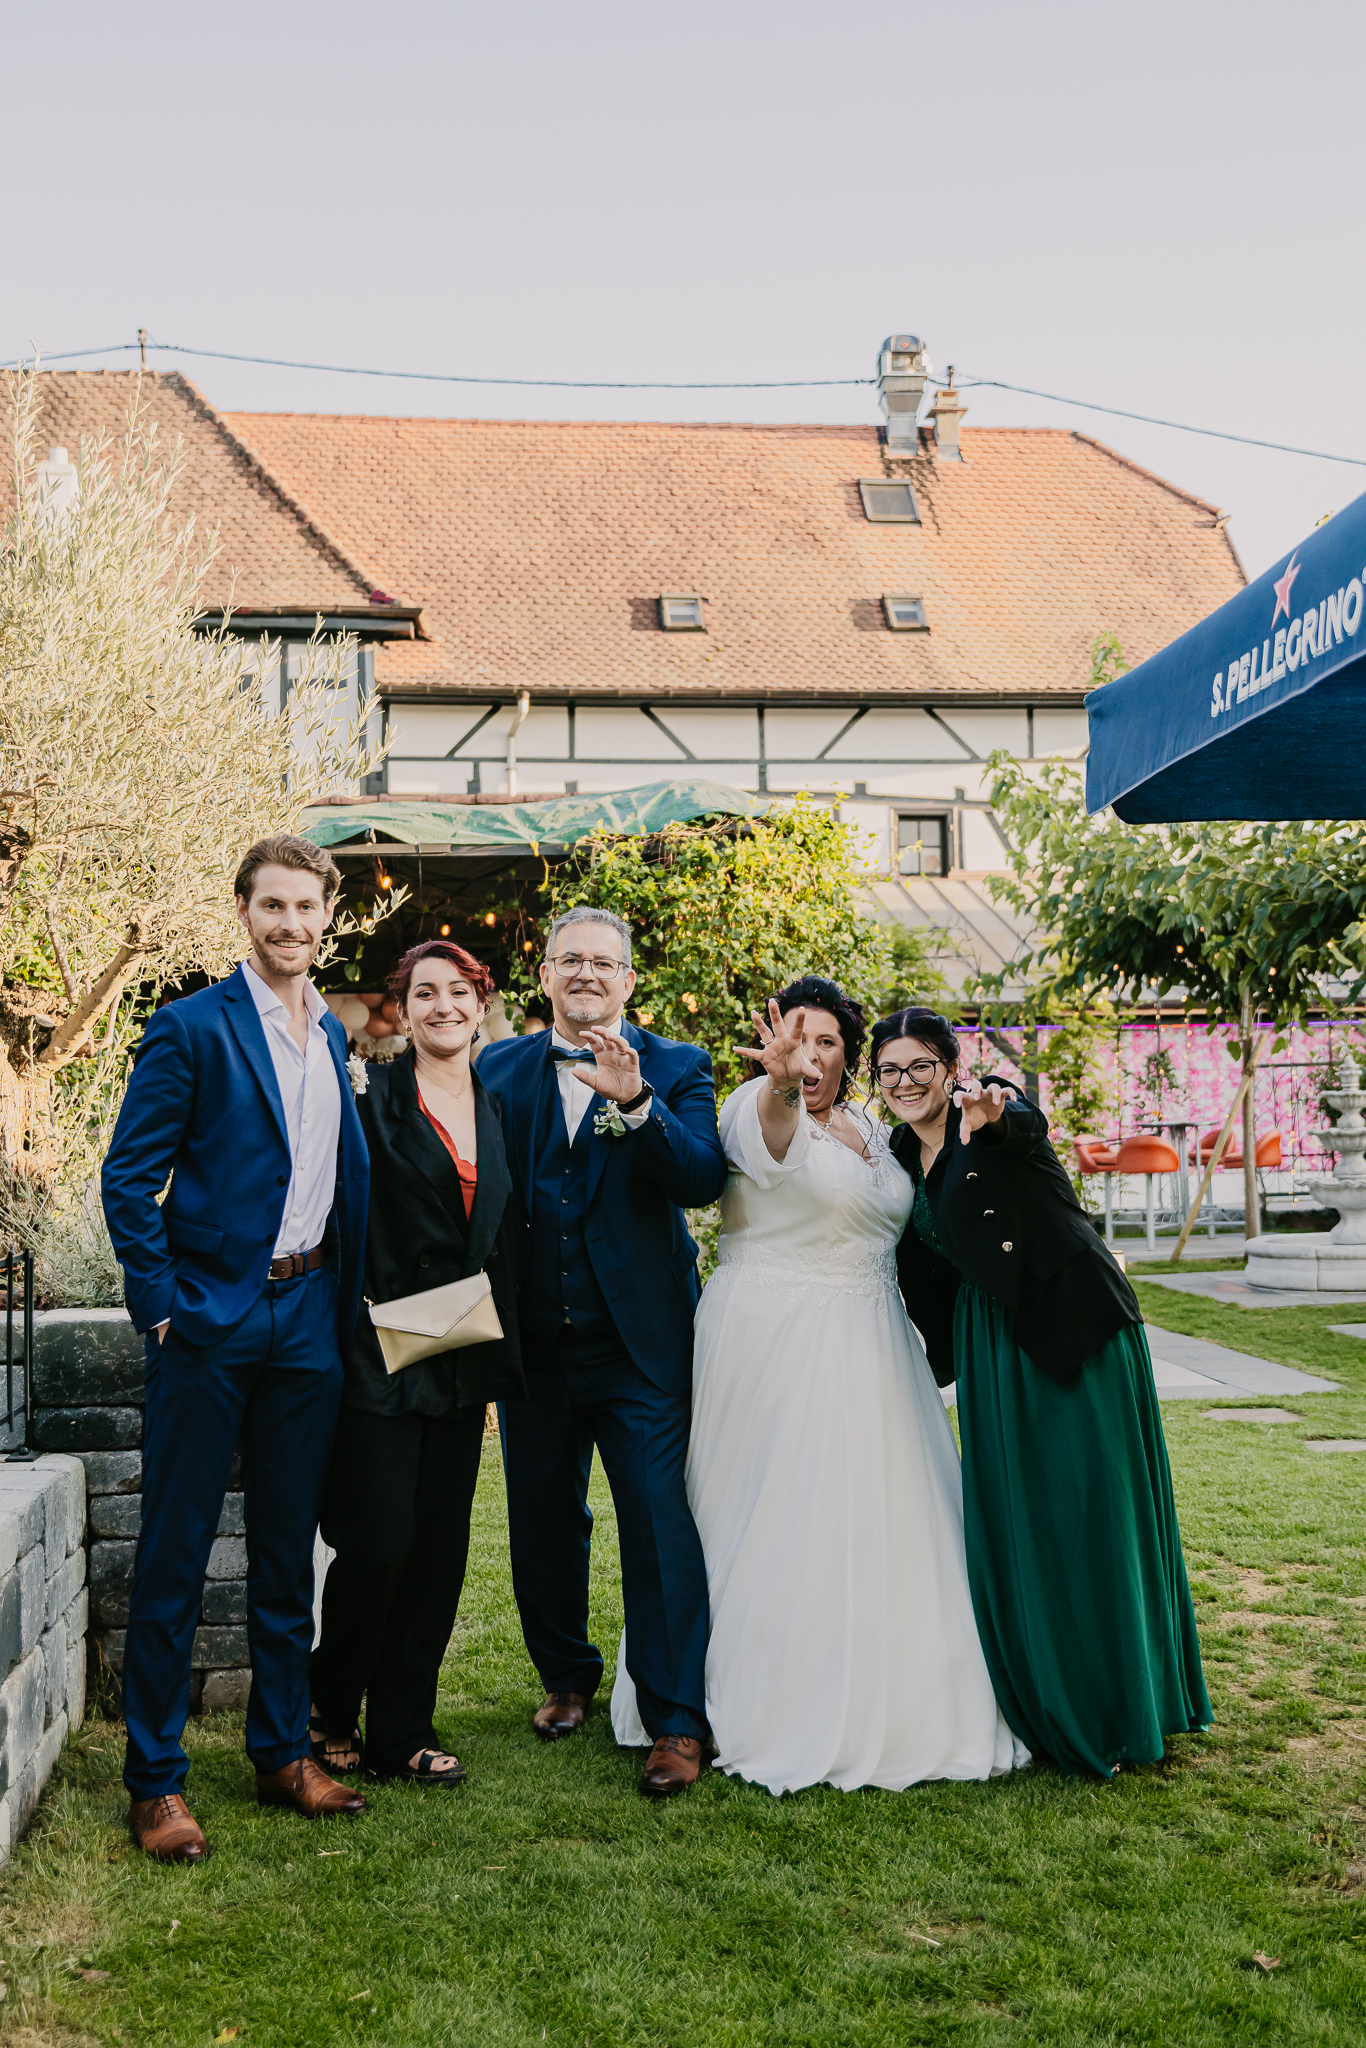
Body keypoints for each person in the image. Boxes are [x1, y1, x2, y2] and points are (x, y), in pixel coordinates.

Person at [613, 977, 1027, 1795]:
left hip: (876, 1344)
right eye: (794, 1038)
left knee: (887, 1510)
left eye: (826, 1042)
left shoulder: (872, 1127)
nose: (807, 1056)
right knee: (778, 1509)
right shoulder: (752, 1105)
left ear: (849, 1056)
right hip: (775, 1339)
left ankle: (904, 1691)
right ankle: (739, 1702)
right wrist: (776, 1083)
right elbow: (775, 1143)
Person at [101, 835, 371, 1863]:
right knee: (174, 1553)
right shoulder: (192, 1027)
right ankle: (155, 1780)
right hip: (208, 1322)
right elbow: (129, 1178)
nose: (291, 924)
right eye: (273, 906)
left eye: (307, 907)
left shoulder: (332, 1031)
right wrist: (162, 1306)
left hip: (308, 1318)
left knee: (287, 1554)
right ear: (245, 912)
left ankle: (281, 1753)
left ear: (327, 917)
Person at [875, 1005, 1212, 1779]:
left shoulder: (987, 1115)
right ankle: (1050, 1690)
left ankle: (1117, 1708)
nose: (905, 1081)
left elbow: (1023, 1124)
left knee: (1090, 1512)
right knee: (1022, 1516)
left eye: (921, 1065)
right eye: (890, 1070)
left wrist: (997, 1114)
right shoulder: (896, 1151)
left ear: (950, 1069)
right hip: (988, 1340)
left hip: (1070, 1328)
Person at [476, 906, 728, 1797]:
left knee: (659, 1524)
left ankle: (676, 1718)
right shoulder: (497, 1068)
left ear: (628, 981)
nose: (586, 973)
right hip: (533, 1345)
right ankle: (566, 1676)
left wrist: (636, 1105)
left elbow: (701, 1179)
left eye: (603, 962)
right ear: (544, 976)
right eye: (569, 960)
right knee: (543, 1520)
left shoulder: (679, 1066)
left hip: (640, 1346)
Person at [309, 940, 525, 1787]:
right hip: (379, 1348)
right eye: (424, 992)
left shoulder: (498, 1107)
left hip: (460, 1350)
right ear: (401, 1010)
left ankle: (402, 1730)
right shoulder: (371, 1097)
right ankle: (330, 1707)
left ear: (481, 1003)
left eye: (459, 991)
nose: (444, 1006)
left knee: (438, 1552)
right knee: (378, 1545)